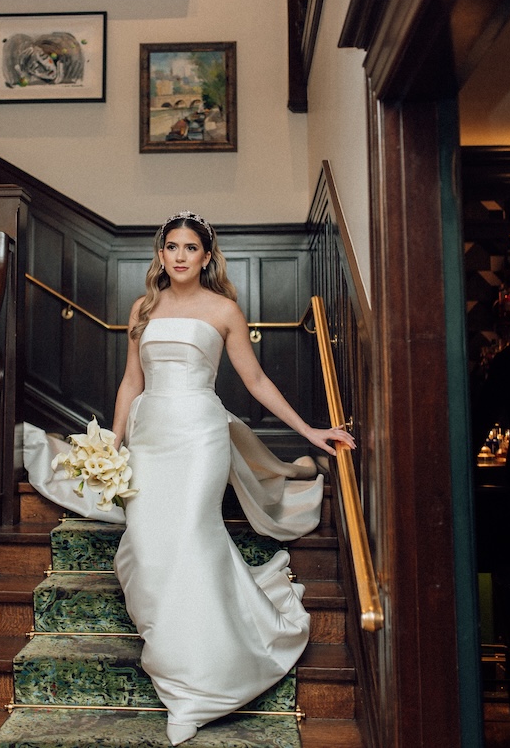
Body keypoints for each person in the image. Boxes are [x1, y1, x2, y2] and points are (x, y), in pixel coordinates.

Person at [111, 210, 354, 746]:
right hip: (150, 437)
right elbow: (131, 381)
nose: (178, 255)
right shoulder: (143, 309)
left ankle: (192, 689)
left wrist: (309, 430)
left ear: (206, 257)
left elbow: (256, 380)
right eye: (170, 246)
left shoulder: (223, 310)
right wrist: (114, 441)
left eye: (189, 248)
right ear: (160, 254)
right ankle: (189, 659)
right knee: (149, 550)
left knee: (194, 537)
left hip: (199, 435)